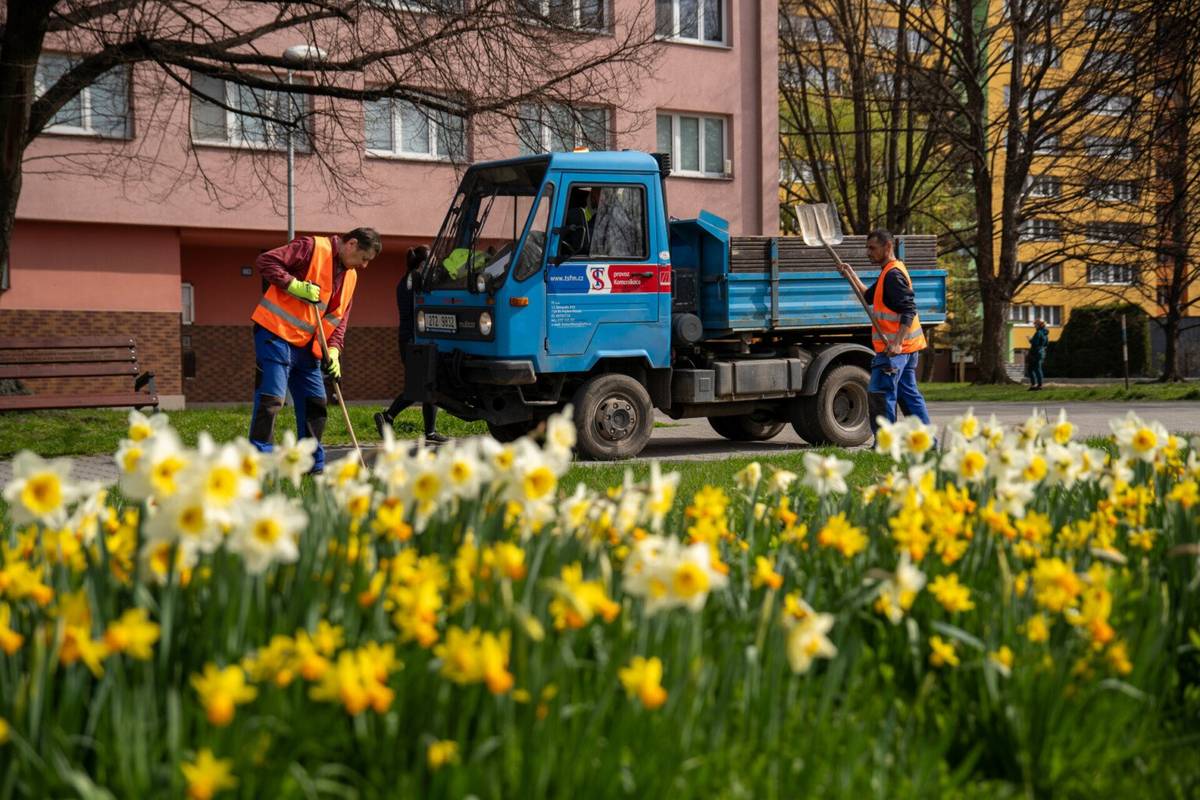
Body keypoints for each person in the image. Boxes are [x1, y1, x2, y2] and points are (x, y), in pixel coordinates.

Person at [248, 227, 382, 474]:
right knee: (272, 400)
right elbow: (265, 261)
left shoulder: (351, 277)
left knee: (316, 403)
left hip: (308, 348)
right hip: (276, 335)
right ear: (351, 244)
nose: (364, 265)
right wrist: (294, 285)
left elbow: (340, 320)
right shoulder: (311, 248)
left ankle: (312, 465)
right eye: (364, 258)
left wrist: (334, 350)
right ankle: (259, 463)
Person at [835, 229, 933, 438]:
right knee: (909, 398)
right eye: (867, 248)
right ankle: (929, 443)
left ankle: (885, 446)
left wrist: (897, 343)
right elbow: (868, 297)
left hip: (895, 352)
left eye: (872, 248)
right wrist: (850, 274)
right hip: (905, 350)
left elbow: (908, 309)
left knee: (880, 396)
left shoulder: (893, 275)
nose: (868, 252)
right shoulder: (889, 271)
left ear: (887, 247)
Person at [375, 246, 446, 443]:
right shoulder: (415, 281)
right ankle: (387, 416)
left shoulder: (409, 279)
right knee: (421, 386)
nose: (435, 265)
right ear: (423, 264)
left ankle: (429, 432)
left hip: (413, 340)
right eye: (432, 261)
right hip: (414, 341)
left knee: (428, 386)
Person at [1027, 318, 1049, 390]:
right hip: (1041, 352)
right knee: (1038, 369)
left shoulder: (1038, 333)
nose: (1034, 325)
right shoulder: (1045, 333)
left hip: (1035, 353)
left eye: (1035, 324)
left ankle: (1034, 385)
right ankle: (1039, 385)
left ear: (1039, 325)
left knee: (1031, 369)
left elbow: (1034, 343)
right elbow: (1046, 344)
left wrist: (1030, 339)